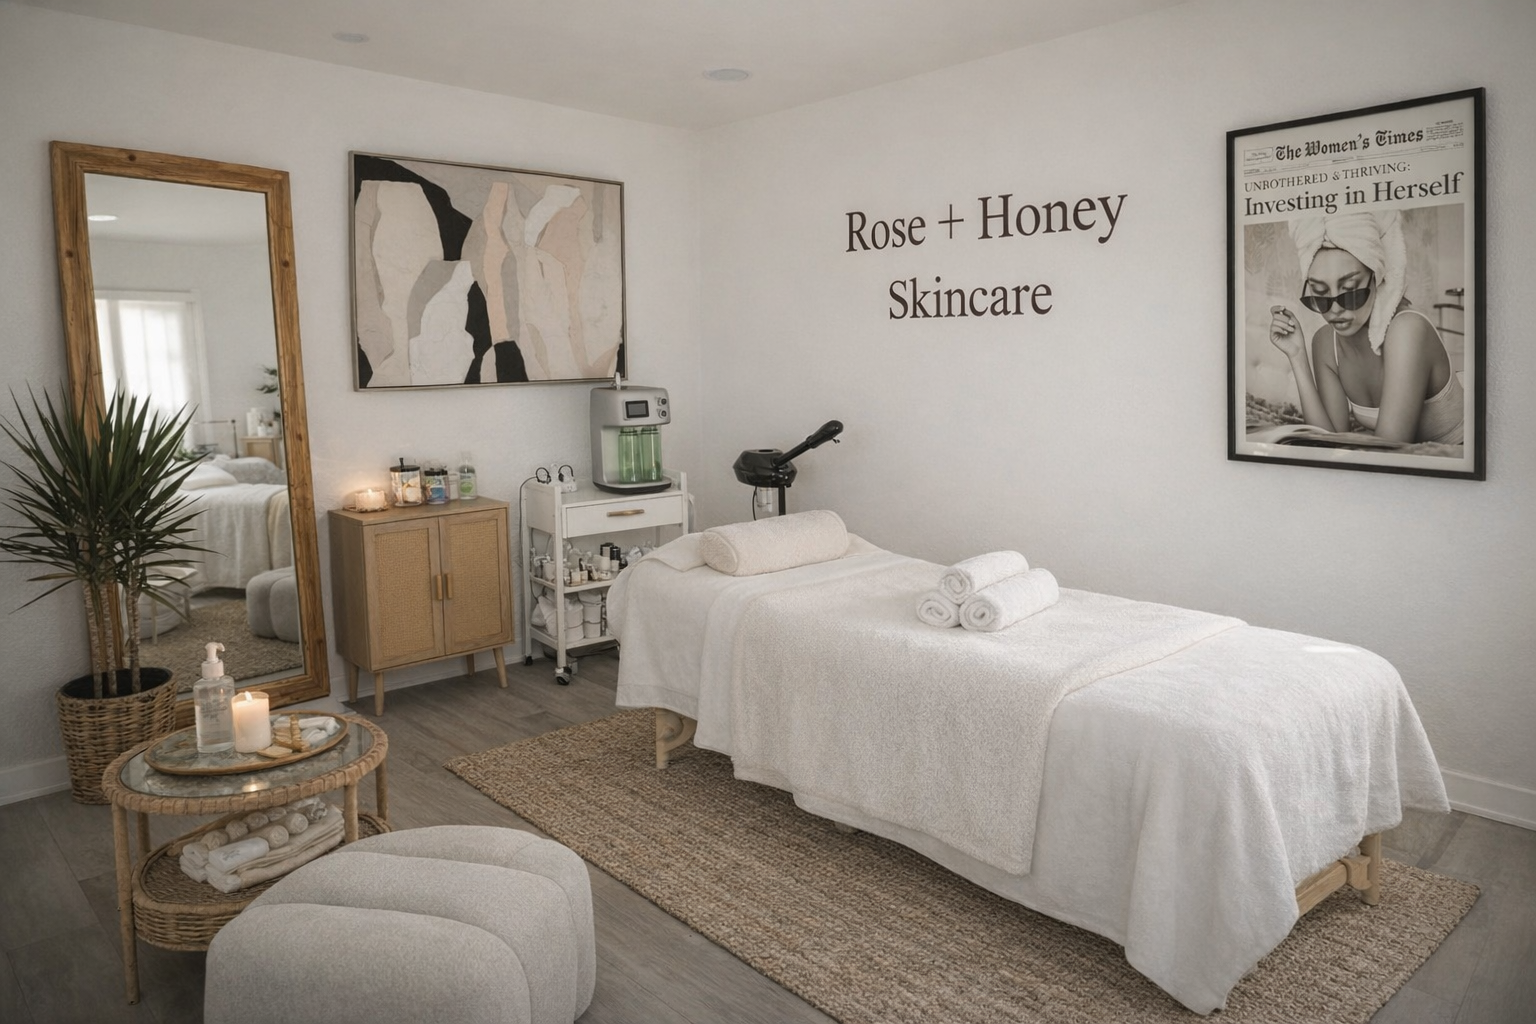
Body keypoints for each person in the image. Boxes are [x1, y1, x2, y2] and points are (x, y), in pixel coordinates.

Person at [1268, 210, 1463, 444]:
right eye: (1319, 294)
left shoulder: (1408, 330)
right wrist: (1297, 356)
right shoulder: (1324, 341)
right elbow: (1328, 442)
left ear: (1376, 277)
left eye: (1350, 290)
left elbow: (1388, 449)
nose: (1335, 309)